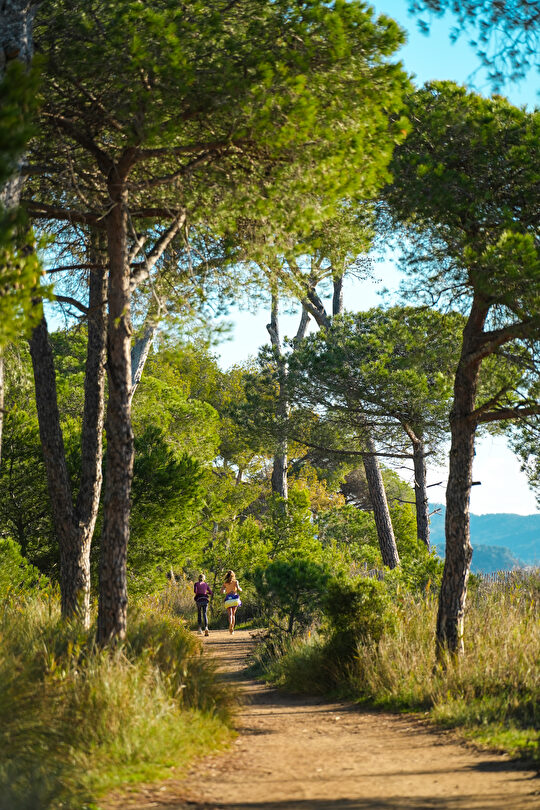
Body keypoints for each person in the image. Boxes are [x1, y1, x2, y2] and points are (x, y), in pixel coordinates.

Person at [221, 569, 242, 635]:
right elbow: (239, 589)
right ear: (233, 575)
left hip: (228, 599)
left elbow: (222, 591)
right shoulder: (236, 582)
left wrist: (225, 590)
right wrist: (240, 589)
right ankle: (232, 628)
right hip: (234, 598)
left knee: (229, 614)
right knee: (233, 614)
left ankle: (230, 624)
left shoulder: (225, 583)